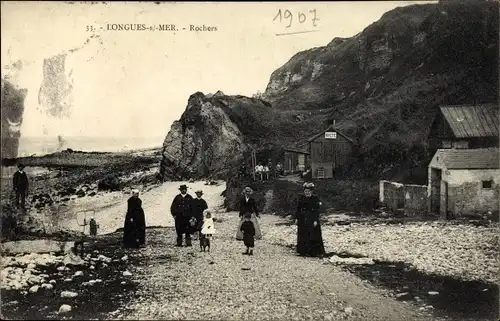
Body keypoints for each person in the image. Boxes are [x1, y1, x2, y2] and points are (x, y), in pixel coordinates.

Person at [294, 182, 325, 257]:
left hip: (311, 219)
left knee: (313, 235)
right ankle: (302, 251)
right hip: (302, 219)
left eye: (308, 191)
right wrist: (296, 218)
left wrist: (315, 220)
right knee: (302, 235)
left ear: (311, 191)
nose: (306, 193)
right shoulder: (301, 198)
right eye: (305, 191)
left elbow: (317, 211)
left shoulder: (315, 198)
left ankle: (313, 252)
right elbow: (298, 209)